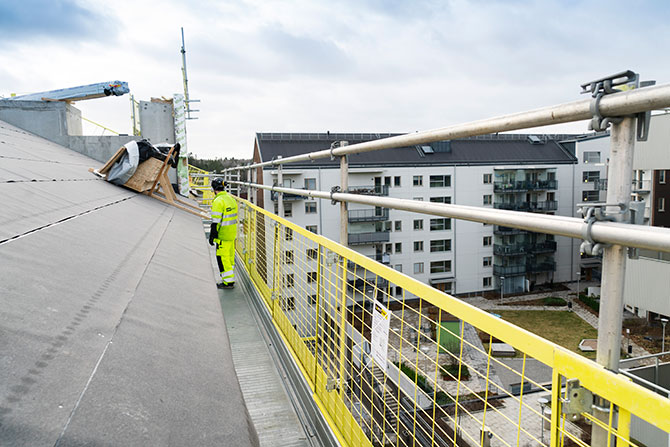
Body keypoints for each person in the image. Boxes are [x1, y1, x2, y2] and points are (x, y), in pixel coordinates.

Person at [209, 178, 238, 289]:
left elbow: (215, 222)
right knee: (229, 258)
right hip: (231, 234)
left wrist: (212, 236)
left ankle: (227, 282)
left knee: (222, 258)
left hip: (223, 236)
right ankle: (230, 278)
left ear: (214, 189)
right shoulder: (231, 199)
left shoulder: (218, 201)